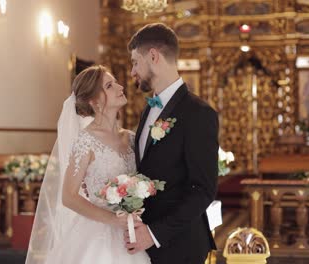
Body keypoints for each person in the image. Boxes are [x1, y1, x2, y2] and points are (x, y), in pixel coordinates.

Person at [25, 65, 151, 264]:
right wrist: (112, 220)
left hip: (132, 232)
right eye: (110, 86)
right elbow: (68, 196)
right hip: (97, 235)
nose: (120, 87)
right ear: (95, 102)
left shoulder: (132, 138)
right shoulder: (86, 141)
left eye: (116, 82)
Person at [125, 23, 219, 264]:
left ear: (153, 56)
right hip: (144, 245)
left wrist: (154, 233)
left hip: (180, 246)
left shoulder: (198, 113)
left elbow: (203, 190)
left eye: (135, 62)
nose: (132, 72)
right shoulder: (148, 109)